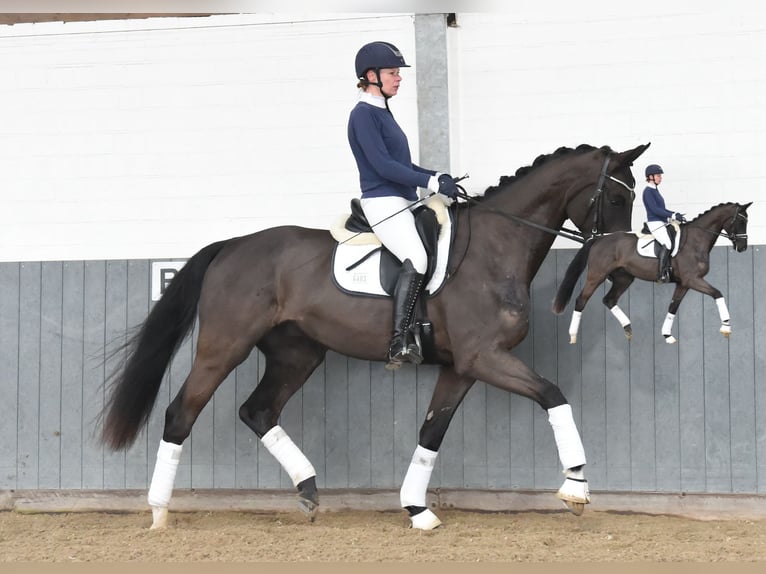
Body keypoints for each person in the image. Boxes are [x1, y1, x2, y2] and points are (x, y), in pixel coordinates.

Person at [347, 41, 458, 369]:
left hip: (403, 199)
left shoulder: (383, 112)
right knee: (418, 258)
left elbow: (404, 165)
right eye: (393, 72)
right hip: (382, 201)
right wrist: (430, 182)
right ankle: (400, 340)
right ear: (371, 76)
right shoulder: (363, 115)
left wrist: (436, 175)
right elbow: (383, 167)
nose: (399, 78)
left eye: (398, 73)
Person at [642, 164, 685, 283]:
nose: (660, 178)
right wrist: (671, 215)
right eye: (658, 175)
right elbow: (655, 210)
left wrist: (675, 214)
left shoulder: (655, 190)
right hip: (654, 223)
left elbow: (663, 209)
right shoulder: (648, 191)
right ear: (650, 177)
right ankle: (661, 274)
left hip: (661, 222)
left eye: (660, 175)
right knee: (667, 243)